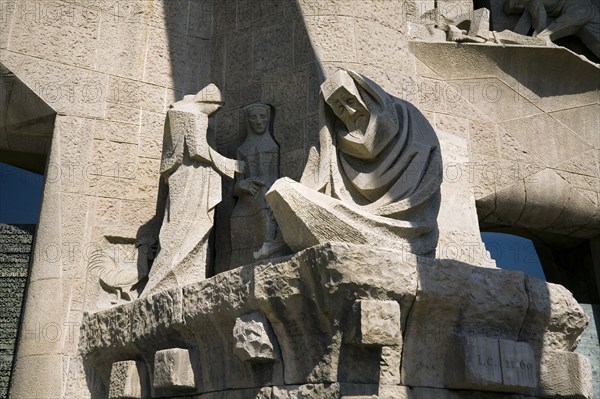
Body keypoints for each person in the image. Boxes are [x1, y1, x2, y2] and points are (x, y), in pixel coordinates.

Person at [268, 70, 443, 256]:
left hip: (406, 228)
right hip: (345, 218)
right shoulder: (330, 145)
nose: (350, 112)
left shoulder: (409, 121)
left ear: (365, 95)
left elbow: (429, 176)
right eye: (340, 108)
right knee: (284, 189)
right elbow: (311, 188)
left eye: (350, 101)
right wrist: (279, 238)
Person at [230, 103, 286, 267]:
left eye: (263, 116)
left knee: (266, 211)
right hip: (247, 199)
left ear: (268, 118)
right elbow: (236, 186)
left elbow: (275, 177)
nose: (259, 121)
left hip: (265, 194)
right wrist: (242, 185)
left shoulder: (272, 147)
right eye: (254, 117)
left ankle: (266, 254)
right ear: (248, 120)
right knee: (236, 218)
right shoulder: (242, 150)